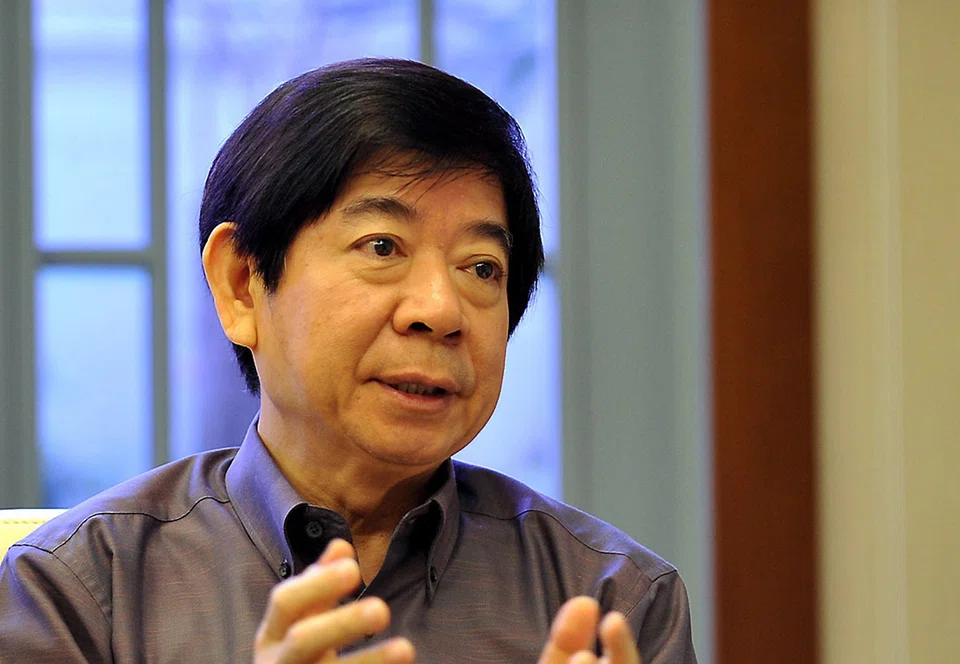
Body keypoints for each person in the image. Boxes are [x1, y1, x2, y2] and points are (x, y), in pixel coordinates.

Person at [0, 58, 696, 663]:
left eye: (481, 267)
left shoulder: (614, 602)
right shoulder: (80, 593)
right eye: (382, 247)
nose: (441, 310)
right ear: (241, 284)